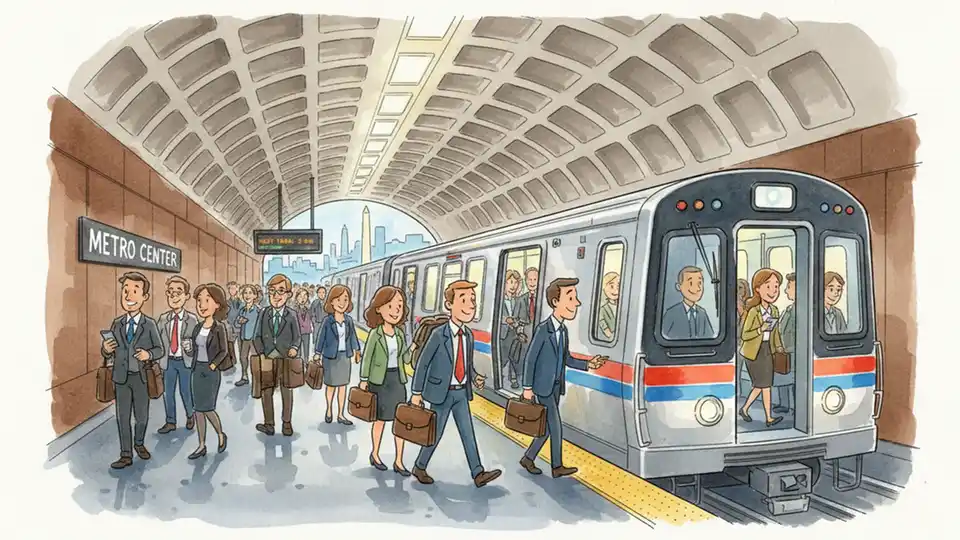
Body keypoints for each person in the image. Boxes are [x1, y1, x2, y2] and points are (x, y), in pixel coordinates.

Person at [410, 280, 501, 488]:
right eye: (464, 299)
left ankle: (478, 473)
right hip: (441, 392)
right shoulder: (437, 335)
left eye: (472, 300)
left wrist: (475, 376)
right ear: (449, 305)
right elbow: (423, 364)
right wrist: (416, 393)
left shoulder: (468, 335)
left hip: (461, 392)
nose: (470, 305)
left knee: (468, 432)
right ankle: (420, 465)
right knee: (436, 432)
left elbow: (466, 363)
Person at [520, 278, 606, 478]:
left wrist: (588, 364)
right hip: (543, 387)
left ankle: (528, 457)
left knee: (547, 428)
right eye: (571, 297)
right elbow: (530, 360)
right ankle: (556, 466)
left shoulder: (563, 330)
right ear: (555, 302)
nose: (576, 303)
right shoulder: (544, 329)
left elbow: (566, 358)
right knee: (555, 426)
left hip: (555, 387)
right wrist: (527, 387)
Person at [100, 272, 164, 469]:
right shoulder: (118, 323)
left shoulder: (149, 324)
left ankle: (139, 443)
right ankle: (125, 453)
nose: (129, 296)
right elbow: (108, 351)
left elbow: (160, 349)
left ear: (144, 297)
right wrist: (106, 349)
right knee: (122, 417)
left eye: (135, 291)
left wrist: (148, 355)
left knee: (142, 416)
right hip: (121, 378)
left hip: (141, 377)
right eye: (125, 291)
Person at [359, 286, 416, 475]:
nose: (395, 311)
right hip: (379, 382)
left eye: (399, 306)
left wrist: (414, 347)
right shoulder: (375, 334)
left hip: (397, 381)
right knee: (380, 421)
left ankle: (399, 461)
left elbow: (405, 359)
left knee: (400, 422)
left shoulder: (400, 334)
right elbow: (367, 358)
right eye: (390, 306)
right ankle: (375, 454)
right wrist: (363, 379)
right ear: (379, 308)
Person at [253, 274, 301, 436]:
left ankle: (287, 423)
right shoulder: (264, 313)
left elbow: (297, 337)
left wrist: (294, 348)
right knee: (267, 390)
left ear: (288, 294)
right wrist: (261, 353)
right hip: (267, 358)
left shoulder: (292, 315)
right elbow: (256, 335)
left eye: (281, 291)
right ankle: (269, 424)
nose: (276, 296)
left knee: (287, 390)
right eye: (272, 291)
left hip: (286, 358)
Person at [188, 283, 230, 459]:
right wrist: (188, 350)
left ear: (217, 304)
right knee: (198, 409)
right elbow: (194, 350)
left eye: (207, 300)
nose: (202, 305)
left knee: (208, 408)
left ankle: (220, 433)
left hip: (211, 371)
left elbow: (224, 351)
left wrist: (213, 365)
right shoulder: (197, 327)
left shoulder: (219, 327)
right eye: (199, 301)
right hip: (197, 369)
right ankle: (201, 444)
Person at [739, 268, 786, 427]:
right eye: (769, 286)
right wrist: (761, 329)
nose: (773, 290)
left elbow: (775, 333)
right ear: (757, 289)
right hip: (753, 352)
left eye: (776, 286)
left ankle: (763, 415)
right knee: (762, 384)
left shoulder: (774, 310)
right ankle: (754, 412)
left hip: (767, 350)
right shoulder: (753, 311)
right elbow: (745, 335)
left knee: (765, 384)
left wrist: (779, 347)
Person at [157, 275, 199, 434]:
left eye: (178, 292)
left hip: (185, 362)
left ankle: (190, 415)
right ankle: (170, 421)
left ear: (186, 296)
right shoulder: (163, 319)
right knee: (168, 393)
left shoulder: (192, 320)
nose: (174, 296)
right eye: (170, 292)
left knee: (186, 391)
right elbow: (158, 342)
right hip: (168, 362)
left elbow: (199, 345)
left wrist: (190, 348)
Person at [314, 284, 361, 424]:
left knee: (342, 387)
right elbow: (321, 338)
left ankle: (341, 414)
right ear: (332, 301)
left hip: (344, 357)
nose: (342, 303)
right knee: (330, 386)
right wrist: (317, 352)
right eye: (338, 299)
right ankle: (329, 409)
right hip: (330, 357)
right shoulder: (327, 321)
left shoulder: (349, 321)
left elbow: (353, 337)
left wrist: (357, 350)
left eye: (345, 300)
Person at [662, 266, 715, 339]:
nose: (697, 288)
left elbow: (710, 337)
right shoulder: (671, 313)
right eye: (691, 283)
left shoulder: (702, 313)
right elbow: (663, 335)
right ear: (678, 286)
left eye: (699, 283)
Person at [775, 273, 797, 414]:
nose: (786, 290)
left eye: (789, 287)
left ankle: (795, 405)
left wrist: (788, 348)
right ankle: (784, 404)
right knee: (781, 377)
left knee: (794, 380)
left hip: (793, 351)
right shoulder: (788, 309)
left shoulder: (799, 311)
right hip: (783, 350)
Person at [499, 269, 523, 389]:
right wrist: (505, 320)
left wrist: (516, 324)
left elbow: (520, 317)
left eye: (516, 283)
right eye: (511, 282)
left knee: (514, 357)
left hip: (514, 334)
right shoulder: (499, 300)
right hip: (502, 334)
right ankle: (499, 375)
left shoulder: (517, 300)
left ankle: (513, 379)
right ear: (505, 283)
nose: (513, 286)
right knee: (503, 357)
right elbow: (495, 316)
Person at [234, 284, 261, 387]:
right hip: (244, 338)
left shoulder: (258, 310)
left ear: (255, 296)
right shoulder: (242, 310)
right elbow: (236, 323)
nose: (247, 295)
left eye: (250, 293)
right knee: (243, 357)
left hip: (254, 339)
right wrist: (240, 321)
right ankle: (244, 377)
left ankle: (257, 378)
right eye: (245, 293)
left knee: (255, 359)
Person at [597, 272, 620, 341]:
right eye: (611, 286)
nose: (615, 290)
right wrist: (611, 336)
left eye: (618, 286)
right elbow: (603, 325)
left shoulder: (622, 307)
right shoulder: (603, 309)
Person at [293, 288, 313, 361]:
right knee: (297, 352)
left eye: (305, 296)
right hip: (296, 333)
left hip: (306, 333)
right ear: (297, 297)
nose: (303, 298)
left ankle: (306, 364)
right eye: (300, 296)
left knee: (306, 351)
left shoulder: (308, 310)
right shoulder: (293, 310)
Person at [310, 285, 327, 354]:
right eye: (319, 292)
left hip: (326, 324)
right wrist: (314, 322)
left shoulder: (328, 303)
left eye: (323, 292)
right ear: (317, 294)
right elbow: (311, 313)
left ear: (326, 293)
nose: (321, 294)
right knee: (317, 339)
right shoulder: (315, 302)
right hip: (317, 323)